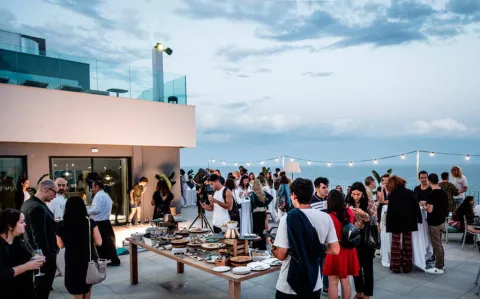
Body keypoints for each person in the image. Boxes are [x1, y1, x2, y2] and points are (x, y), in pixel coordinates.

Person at [268, 178, 340, 299]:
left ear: (294, 196)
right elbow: (335, 249)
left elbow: (281, 254)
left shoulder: (287, 218)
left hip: (289, 284)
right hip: (314, 281)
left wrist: (272, 247)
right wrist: (314, 248)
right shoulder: (325, 217)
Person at [56, 196, 102, 299]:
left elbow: (61, 245)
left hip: (72, 262)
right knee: (87, 289)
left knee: (76, 291)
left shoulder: (61, 225)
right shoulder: (90, 222)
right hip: (88, 260)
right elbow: (99, 242)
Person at [20, 179, 59, 299]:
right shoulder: (37, 207)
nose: (55, 196)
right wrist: (48, 258)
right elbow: (39, 238)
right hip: (41, 255)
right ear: (46, 189)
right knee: (42, 288)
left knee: (38, 286)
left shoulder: (27, 203)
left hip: (33, 252)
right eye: (54, 192)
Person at [0, 209, 45, 299]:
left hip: (24, 290)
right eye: (21, 222)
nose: (25, 224)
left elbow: (27, 256)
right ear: (10, 226)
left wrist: (37, 258)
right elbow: (3, 274)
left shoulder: (17, 240)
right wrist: (26, 266)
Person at [323, 190, 359, 299]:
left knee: (333, 282)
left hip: (335, 250)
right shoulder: (349, 212)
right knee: (346, 281)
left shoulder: (328, 216)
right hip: (348, 250)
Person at [385, 176, 421, 273]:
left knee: (396, 244)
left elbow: (390, 211)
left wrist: (388, 224)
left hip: (396, 221)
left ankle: (395, 267)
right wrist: (419, 218)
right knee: (407, 244)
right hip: (408, 221)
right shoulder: (409, 192)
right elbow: (416, 206)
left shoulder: (392, 194)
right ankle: (407, 267)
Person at [348, 182, 377, 299]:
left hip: (366, 236)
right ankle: (359, 291)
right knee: (356, 266)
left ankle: (368, 294)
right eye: (353, 194)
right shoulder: (348, 203)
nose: (355, 196)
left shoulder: (370, 203)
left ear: (363, 194)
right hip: (353, 236)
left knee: (368, 267)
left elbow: (374, 220)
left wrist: (363, 213)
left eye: (358, 194)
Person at [88, 180, 120, 266]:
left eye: (93, 187)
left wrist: (87, 211)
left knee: (101, 242)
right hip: (106, 221)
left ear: (97, 187)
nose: (92, 189)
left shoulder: (98, 196)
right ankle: (111, 259)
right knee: (108, 242)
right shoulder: (106, 195)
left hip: (99, 223)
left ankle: (109, 260)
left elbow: (96, 209)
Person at [421, 173, 448, 274]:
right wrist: (427, 202)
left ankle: (439, 267)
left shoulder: (432, 194)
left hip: (434, 223)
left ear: (428, 180)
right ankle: (442, 264)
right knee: (440, 244)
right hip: (441, 221)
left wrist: (424, 206)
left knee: (436, 245)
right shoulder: (443, 193)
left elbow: (430, 210)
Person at [250, 179, 274, 250]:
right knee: (262, 230)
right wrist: (265, 204)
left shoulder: (253, 194)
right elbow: (271, 197)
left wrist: (255, 207)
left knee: (255, 230)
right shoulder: (263, 192)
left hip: (256, 214)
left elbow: (253, 203)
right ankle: (262, 246)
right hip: (262, 213)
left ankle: (256, 245)